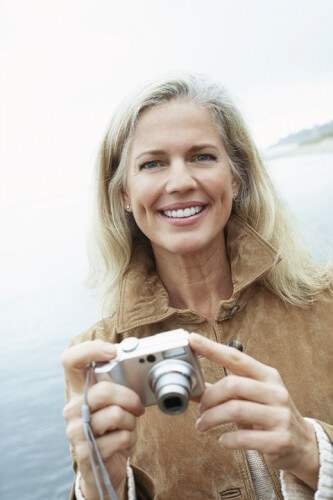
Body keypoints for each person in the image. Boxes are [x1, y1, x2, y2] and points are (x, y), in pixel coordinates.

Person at [61, 74, 333, 500]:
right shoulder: (99, 355)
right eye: (152, 163)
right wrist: (101, 486)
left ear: (237, 177)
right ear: (124, 196)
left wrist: (311, 452)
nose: (180, 182)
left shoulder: (327, 302)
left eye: (202, 157)